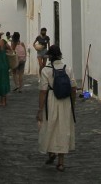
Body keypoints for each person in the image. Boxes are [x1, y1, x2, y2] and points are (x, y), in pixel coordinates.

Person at [37, 44, 75, 172]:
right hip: (65, 101)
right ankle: (61, 162)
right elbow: (73, 87)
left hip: (51, 100)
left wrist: (40, 109)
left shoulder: (45, 71)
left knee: (50, 127)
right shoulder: (68, 69)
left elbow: (43, 91)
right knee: (63, 129)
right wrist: (72, 104)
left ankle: (51, 151)